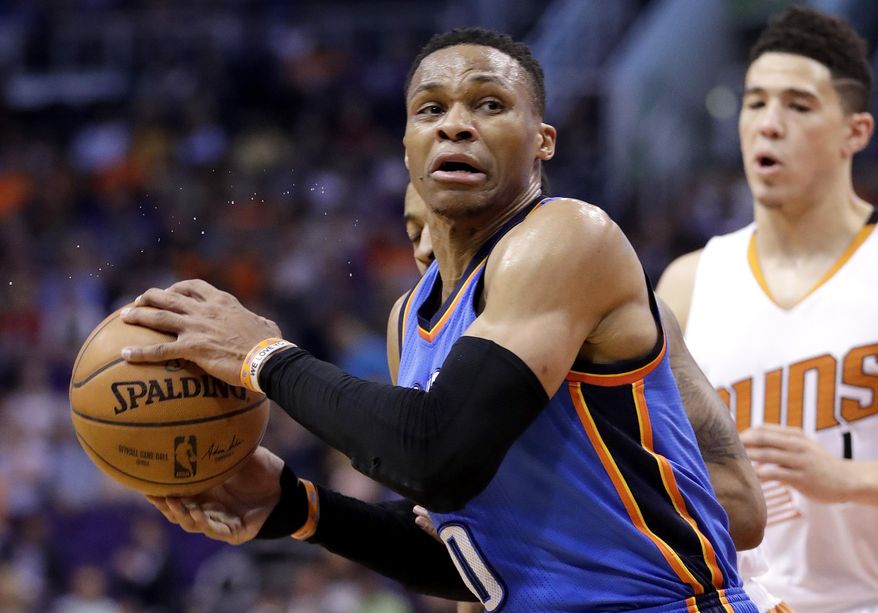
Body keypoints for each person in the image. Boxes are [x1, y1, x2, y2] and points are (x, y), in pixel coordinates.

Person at [123, 28, 761, 611]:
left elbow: (434, 453)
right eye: (431, 109)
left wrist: (261, 356)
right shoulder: (412, 320)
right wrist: (295, 504)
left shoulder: (568, 236)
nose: (456, 124)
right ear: (406, 149)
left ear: (543, 141)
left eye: (489, 104)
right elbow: (470, 555)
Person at [657, 7, 878, 612]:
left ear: (855, 132)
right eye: (755, 103)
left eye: (798, 106)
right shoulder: (687, 282)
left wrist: (850, 482)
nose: (769, 124)